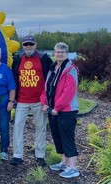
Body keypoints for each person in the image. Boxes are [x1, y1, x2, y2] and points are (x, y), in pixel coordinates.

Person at [11, 35, 53, 167]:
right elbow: (14, 77)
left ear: (36, 45)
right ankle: (17, 155)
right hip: (22, 99)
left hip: (39, 100)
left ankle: (40, 155)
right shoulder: (17, 59)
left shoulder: (44, 58)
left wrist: (48, 97)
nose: (28, 46)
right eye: (26, 44)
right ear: (22, 46)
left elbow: (53, 75)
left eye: (31, 44)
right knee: (18, 126)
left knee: (40, 128)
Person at [40, 42, 80, 178]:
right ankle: (64, 162)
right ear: (54, 53)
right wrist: (44, 103)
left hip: (66, 111)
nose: (60, 54)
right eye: (57, 52)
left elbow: (68, 92)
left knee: (68, 138)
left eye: (63, 52)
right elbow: (46, 88)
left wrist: (57, 108)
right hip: (53, 110)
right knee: (58, 137)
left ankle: (73, 167)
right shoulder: (52, 68)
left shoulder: (71, 69)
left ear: (67, 54)